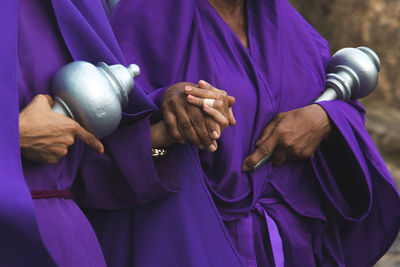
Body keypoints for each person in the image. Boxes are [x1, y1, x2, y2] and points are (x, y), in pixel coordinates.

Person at [75, 0, 400, 266]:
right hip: (192, 243)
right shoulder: (147, 17)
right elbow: (107, 159)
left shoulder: (287, 23)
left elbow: (342, 106)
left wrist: (323, 118)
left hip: (295, 246)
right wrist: (170, 131)